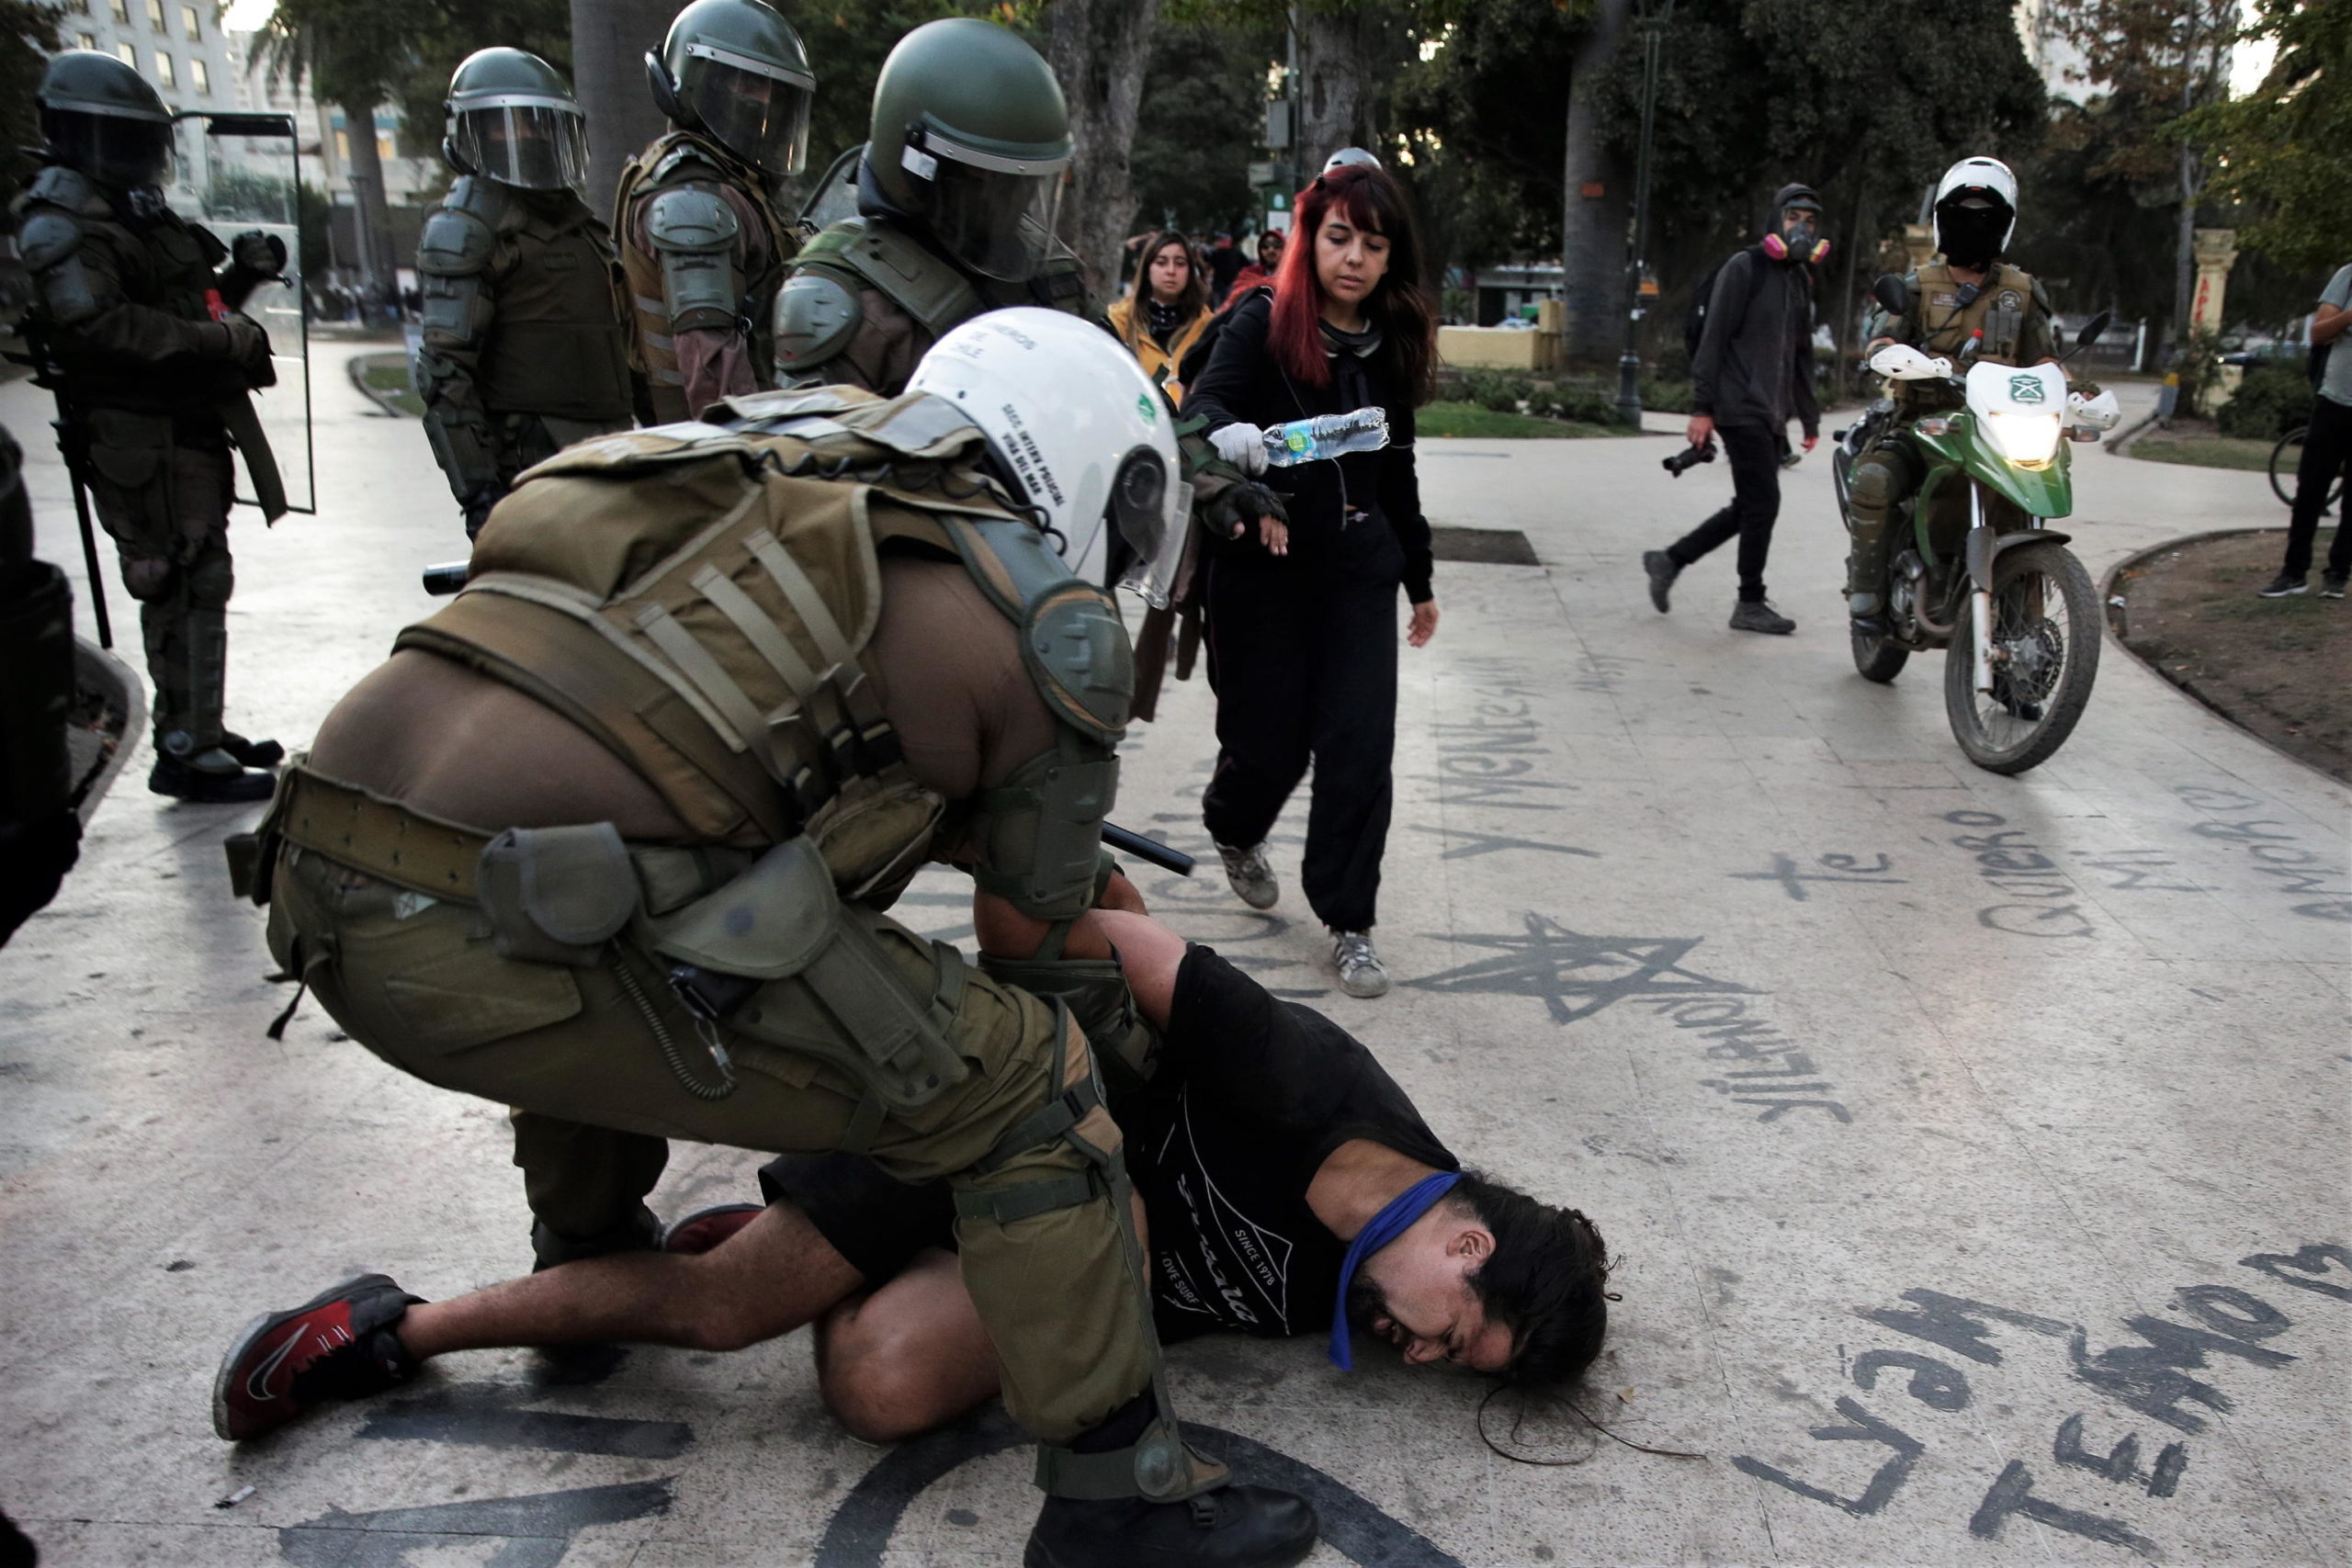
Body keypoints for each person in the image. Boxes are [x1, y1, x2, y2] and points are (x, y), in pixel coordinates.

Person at [217, 310, 1315, 1568]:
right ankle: (1122, 1498)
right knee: (1027, 1080)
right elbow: (1038, 939)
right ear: (1088, 477)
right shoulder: (1042, 613)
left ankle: (585, 1263)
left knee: (620, 870)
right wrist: (1148, 1051)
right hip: (480, 951)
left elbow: (683, 746)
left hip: (321, 889)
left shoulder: (760, 456)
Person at [212, 909, 1612, 1445]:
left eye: (1452, 1367)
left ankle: (800, 1239)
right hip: (992, 1128)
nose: (1429, 1355)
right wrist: (1058, 1107)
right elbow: (1109, 936)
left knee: (874, 1390)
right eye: (1460, 1334)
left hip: (1041, 1253)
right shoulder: (1326, 1094)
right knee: (720, 1313)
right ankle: (390, 1325)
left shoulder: (1361, 1295)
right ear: (1473, 1243)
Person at [1183, 164, 1438, 1000]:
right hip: (1266, 568)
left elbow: (1395, 470)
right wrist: (1249, 468)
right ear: (1309, 239)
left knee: (1360, 746)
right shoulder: (1260, 320)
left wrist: (1419, 575)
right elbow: (1199, 413)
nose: (1355, 258)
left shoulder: (1390, 339)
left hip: (1359, 570)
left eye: (1373, 243)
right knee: (1270, 744)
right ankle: (1234, 826)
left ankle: (1350, 921)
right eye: (1338, 238)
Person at [9, 50, 288, 803]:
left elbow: (182, 300)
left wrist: (242, 281)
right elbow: (98, 323)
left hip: (181, 425)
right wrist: (219, 341)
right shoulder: (64, 216)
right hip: (139, 433)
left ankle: (198, 726)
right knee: (177, 578)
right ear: (78, 135)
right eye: (121, 140)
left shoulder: (129, 209)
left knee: (202, 578)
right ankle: (185, 748)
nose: (138, 157)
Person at [773, 17, 1090, 395]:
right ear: (917, 163)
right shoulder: (844, 298)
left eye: (1022, 181)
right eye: (982, 177)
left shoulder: (1052, 273)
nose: (1008, 198)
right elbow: (808, 444)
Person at [414, 49, 635, 539]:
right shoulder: (465, 230)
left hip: (612, 449)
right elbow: (444, 375)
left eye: (539, 125)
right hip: (532, 463)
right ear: (468, 133)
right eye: (504, 127)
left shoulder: (580, 226)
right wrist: (480, 495)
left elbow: (621, 347)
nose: (526, 138)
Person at [1844, 158, 2058, 632]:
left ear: (2003, 225)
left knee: (2029, 493)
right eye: (1963, 214)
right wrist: (1895, 355)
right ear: (1944, 219)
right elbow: (1881, 341)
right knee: (1875, 479)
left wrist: (2077, 396)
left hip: (1996, 431)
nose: (1973, 225)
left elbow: (2046, 361)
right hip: (1921, 425)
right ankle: (1868, 598)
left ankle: (2020, 626)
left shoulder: (2021, 292)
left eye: (1986, 216)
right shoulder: (1917, 286)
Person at [1642, 182, 1826, 636]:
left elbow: (1801, 353)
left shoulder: (1799, 280)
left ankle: (1670, 560)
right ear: (1775, 221)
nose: (1801, 228)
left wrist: (1809, 414)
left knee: (1750, 505)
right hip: (1736, 404)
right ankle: (1749, 601)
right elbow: (1713, 340)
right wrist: (1702, 407)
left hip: (1769, 411)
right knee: (1763, 503)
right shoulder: (1745, 268)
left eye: (1809, 221)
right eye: (1792, 218)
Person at [615, 0, 812, 423]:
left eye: (772, 90)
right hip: (709, 453)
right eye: (746, 85)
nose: (764, 102)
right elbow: (715, 381)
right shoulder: (693, 204)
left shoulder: (734, 185)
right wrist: (753, 461)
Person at [2258, 261, 2352, 600]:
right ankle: (2293, 572)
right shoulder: (2348, 275)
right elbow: (2319, 332)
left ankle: (2338, 574)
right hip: (2335, 401)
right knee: (2310, 489)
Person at [1106, 229, 1215, 403]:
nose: (1171, 271)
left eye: (1180, 263)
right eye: (1161, 262)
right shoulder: (1119, 321)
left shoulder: (1207, 326)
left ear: (1190, 271)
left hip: (1191, 424)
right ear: (1147, 269)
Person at [1221, 230, 1283, 310]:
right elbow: (1233, 303)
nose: (1271, 250)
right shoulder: (1249, 274)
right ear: (1260, 250)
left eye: (1276, 245)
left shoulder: (1293, 277)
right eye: (1265, 245)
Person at [1206, 231, 1244, 307]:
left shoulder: (1235, 253)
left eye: (1220, 240)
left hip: (1229, 286)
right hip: (1221, 286)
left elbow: (1209, 268)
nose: (1217, 242)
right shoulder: (1216, 253)